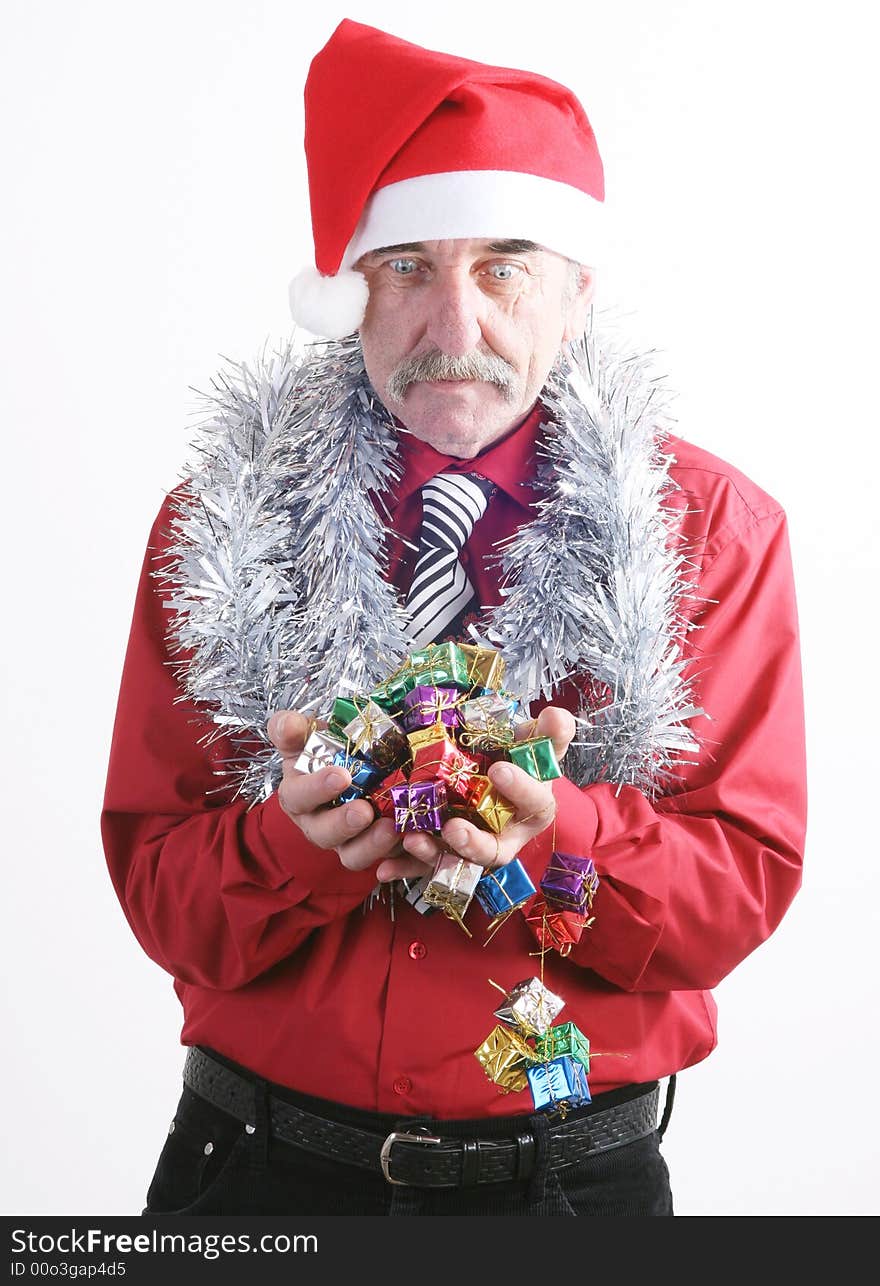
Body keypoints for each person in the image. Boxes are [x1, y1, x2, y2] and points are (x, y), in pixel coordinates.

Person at [100, 18, 807, 1217]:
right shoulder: (218, 522)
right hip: (258, 1175)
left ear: (577, 294)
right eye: (408, 265)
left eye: (505, 265)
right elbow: (157, 880)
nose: (455, 327)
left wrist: (553, 836)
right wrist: (290, 846)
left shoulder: (710, 531)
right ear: (347, 292)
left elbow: (740, 880)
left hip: (570, 1192)